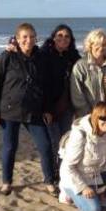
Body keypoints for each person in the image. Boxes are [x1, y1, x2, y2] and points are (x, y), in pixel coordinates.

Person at [0, 22, 57, 196]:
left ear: (36, 38)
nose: (28, 40)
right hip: (9, 110)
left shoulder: (41, 57)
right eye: (24, 37)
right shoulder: (7, 56)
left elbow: (46, 86)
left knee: (45, 146)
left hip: (34, 111)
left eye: (32, 36)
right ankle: (7, 182)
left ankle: (49, 181)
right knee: (10, 147)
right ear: (17, 39)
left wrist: (48, 109)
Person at [41, 24, 81, 178]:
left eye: (67, 36)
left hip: (67, 107)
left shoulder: (73, 56)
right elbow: (41, 84)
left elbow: (87, 66)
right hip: (49, 107)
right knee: (53, 141)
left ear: (71, 40)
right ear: (53, 37)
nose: (63, 38)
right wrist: (46, 109)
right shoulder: (44, 54)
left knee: (65, 142)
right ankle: (51, 175)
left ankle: (62, 173)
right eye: (60, 35)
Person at [70, 29, 106, 119]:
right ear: (90, 45)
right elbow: (76, 93)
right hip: (88, 114)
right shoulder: (81, 65)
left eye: (104, 45)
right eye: (97, 44)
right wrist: (88, 114)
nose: (101, 47)